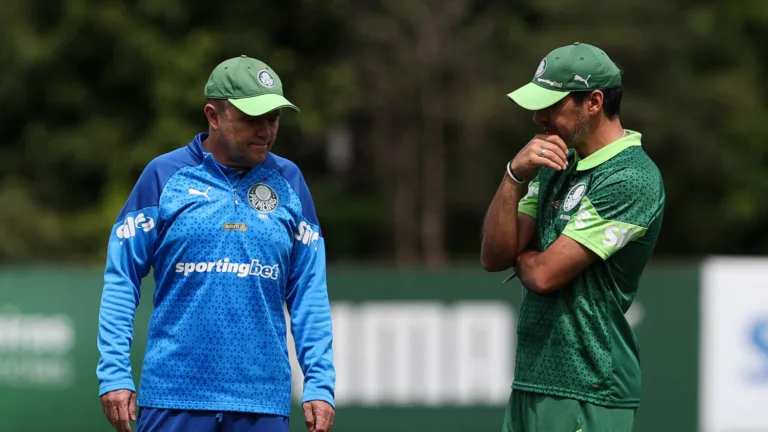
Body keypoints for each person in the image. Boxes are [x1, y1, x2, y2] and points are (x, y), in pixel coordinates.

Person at [96, 55, 336, 432]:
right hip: (173, 397)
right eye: (251, 119)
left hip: (262, 401)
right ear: (213, 115)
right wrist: (114, 373)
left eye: (273, 119)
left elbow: (308, 291)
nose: (265, 131)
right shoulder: (163, 176)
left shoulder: (290, 182)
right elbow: (121, 278)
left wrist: (319, 384)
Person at [481, 42, 665, 432]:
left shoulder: (632, 176)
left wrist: (527, 256)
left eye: (552, 104)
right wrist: (514, 176)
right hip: (532, 378)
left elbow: (544, 275)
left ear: (594, 102)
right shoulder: (554, 162)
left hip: (588, 385)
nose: (537, 117)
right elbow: (495, 255)